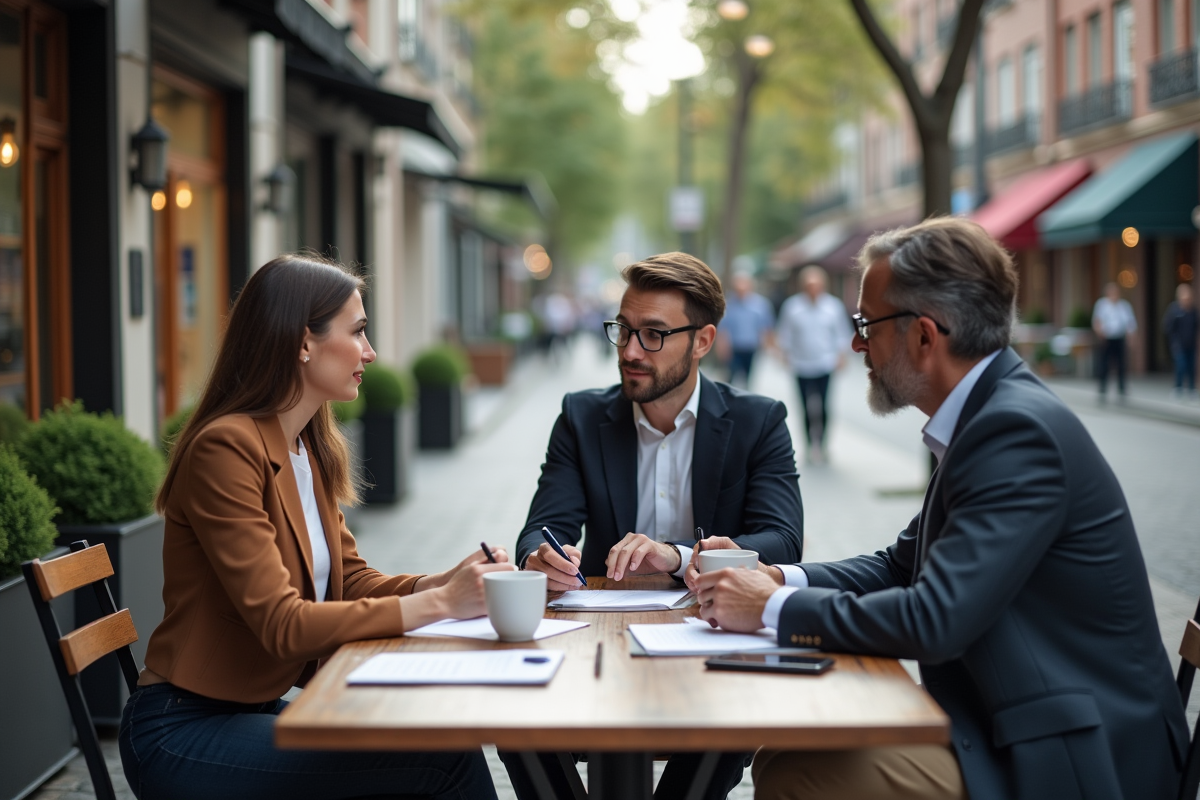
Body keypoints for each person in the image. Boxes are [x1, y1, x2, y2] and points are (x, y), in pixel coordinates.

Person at [689, 218, 1187, 800]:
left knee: (804, 768)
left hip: (1080, 754)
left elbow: (935, 621)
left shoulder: (1013, 431)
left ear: (925, 336)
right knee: (791, 753)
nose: (855, 344)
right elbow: (901, 566)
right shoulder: (990, 416)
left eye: (865, 324)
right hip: (1013, 718)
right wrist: (775, 576)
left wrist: (773, 606)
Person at [119, 255, 512, 800]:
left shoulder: (306, 445)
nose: (371, 352)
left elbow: (350, 580)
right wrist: (443, 606)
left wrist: (442, 584)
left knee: (438, 736)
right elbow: (282, 624)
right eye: (358, 332)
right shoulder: (226, 448)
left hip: (250, 711)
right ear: (304, 343)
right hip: (184, 732)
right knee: (440, 756)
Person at [506, 251, 804, 800]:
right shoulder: (580, 416)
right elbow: (543, 526)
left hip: (714, 638)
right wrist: (540, 555)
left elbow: (782, 540)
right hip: (596, 644)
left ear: (704, 340)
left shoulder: (759, 421)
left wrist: (678, 555)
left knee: (729, 723)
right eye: (623, 329)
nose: (629, 351)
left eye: (653, 335)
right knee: (516, 718)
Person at [775, 265, 854, 465]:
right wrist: (784, 355)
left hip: (824, 363)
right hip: (801, 365)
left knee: (824, 406)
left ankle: (824, 443)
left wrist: (841, 356)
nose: (813, 288)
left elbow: (842, 334)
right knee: (804, 407)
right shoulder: (792, 307)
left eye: (816, 284)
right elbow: (785, 333)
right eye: (809, 285)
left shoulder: (833, 306)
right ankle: (810, 444)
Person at [717, 272, 775, 388]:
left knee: (748, 378)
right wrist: (722, 346)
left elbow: (767, 327)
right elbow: (723, 328)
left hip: (752, 347)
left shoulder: (760, 304)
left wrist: (769, 345)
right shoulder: (728, 304)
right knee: (731, 376)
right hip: (734, 347)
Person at [1092, 281, 1137, 399]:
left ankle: (1122, 387)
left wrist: (1131, 337)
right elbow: (1097, 321)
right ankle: (1102, 387)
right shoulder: (1102, 305)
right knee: (1104, 363)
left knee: (1121, 364)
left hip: (1119, 338)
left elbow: (1130, 323)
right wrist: (1100, 333)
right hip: (1107, 338)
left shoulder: (1124, 305)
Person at [1163, 282, 1197, 397]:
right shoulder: (1174, 310)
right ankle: (1178, 387)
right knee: (1181, 365)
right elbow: (1167, 326)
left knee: (1191, 366)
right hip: (1178, 344)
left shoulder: (1193, 311)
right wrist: (1173, 341)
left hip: (1190, 344)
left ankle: (1191, 388)